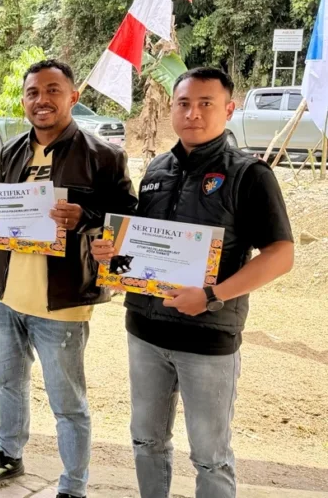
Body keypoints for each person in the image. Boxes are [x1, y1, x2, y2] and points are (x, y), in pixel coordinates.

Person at [92, 68, 294, 498]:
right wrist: (110, 251)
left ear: (229, 109)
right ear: (172, 109)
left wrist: (210, 295)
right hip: (145, 333)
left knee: (210, 455)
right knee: (146, 440)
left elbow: (281, 255)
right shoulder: (157, 168)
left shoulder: (249, 175)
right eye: (184, 103)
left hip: (208, 340)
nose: (194, 113)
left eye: (206, 104)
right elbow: (140, 242)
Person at [0, 60, 137, 498]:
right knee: (8, 382)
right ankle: (8, 454)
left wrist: (88, 218)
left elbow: (128, 220)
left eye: (53, 90)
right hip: (7, 294)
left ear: (73, 97)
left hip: (62, 300)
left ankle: (73, 485)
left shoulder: (103, 156)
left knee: (67, 402)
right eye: (33, 92)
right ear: (24, 100)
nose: (42, 100)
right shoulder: (12, 151)